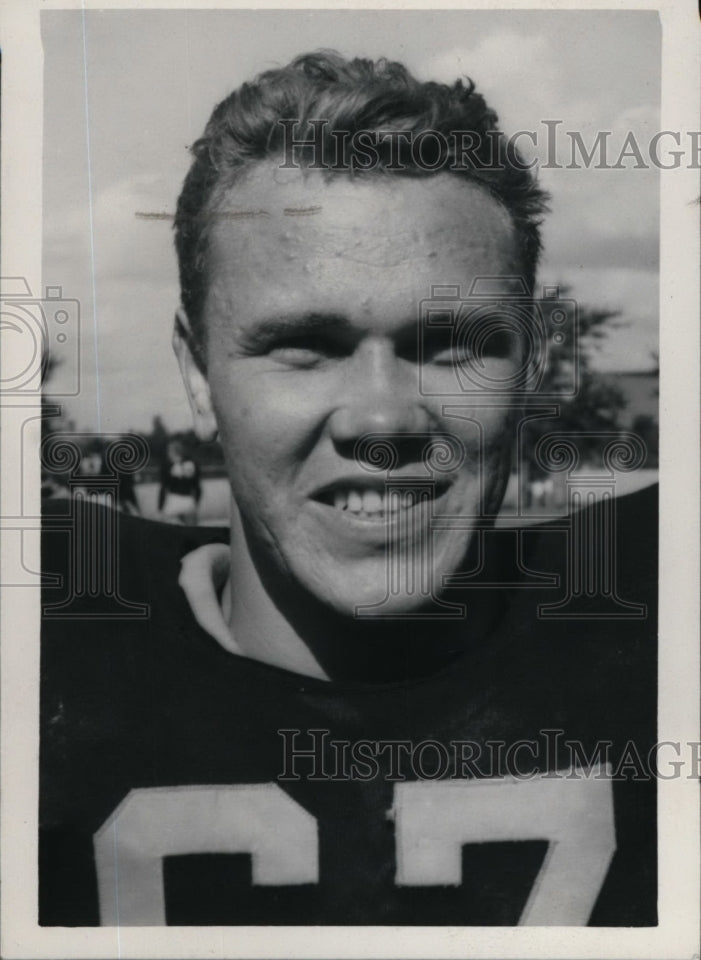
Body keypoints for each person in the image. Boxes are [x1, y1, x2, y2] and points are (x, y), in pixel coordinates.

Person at [40, 52, 657, 927]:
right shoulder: (47, 646)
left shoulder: (656, 617)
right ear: (195, 369)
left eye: (450, 345)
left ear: (532, 363)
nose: (381, 418)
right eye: (305, 344)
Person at [157, 437, 202, 525]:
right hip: (188, 502)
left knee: (172, 535)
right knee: (191, 535)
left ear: (171, 451)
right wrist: (195, 503)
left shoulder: (167, 465)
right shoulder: (193, 465)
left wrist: (160, 508)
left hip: (173, 501)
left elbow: (163, 488)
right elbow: (198, 489)